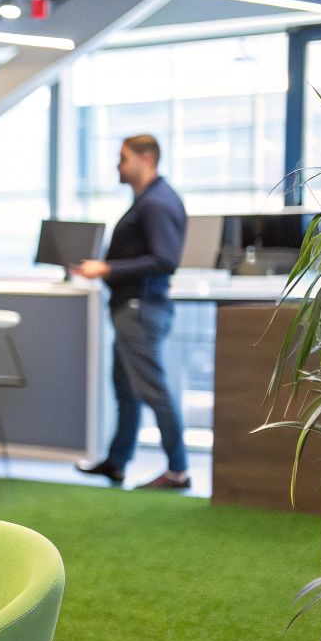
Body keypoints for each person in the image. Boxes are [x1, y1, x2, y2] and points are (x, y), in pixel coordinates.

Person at [73, 134, 190, 491]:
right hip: (130, 307)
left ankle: (178, 470)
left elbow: (164, 260)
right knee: (125, 388)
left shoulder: (157, 203)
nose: (117, 166)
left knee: (153, 389)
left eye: (123, 158)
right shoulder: (147, 200)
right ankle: (117, 463)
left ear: (145, 159)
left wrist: (106, 269)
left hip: (141, 308)